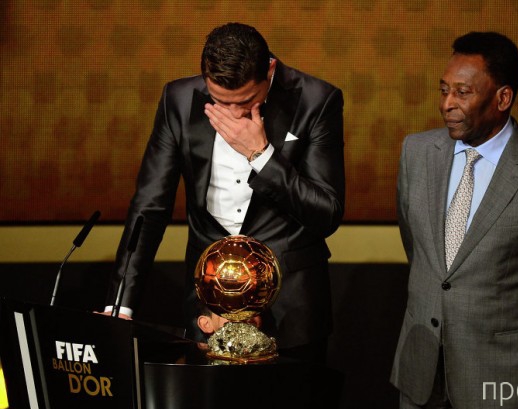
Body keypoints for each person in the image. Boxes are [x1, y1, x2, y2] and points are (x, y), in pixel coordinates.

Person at [102, 22, 345, 364]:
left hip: (290, 309)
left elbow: (326, 213)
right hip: (208, 307)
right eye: (219, 102)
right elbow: (149, 208)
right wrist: (120, 306)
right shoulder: (178, 100)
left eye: (245, 102)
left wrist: (261, 155)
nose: (232, 116)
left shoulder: (316, 100)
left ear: (270, 70)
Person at [391, 32, 518, 409]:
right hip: (421, 376)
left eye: (462, 93)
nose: (447, 104)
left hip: (506, 381)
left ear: (503, 98)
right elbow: (419, 251)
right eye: (444, 90)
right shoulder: (416, 153)